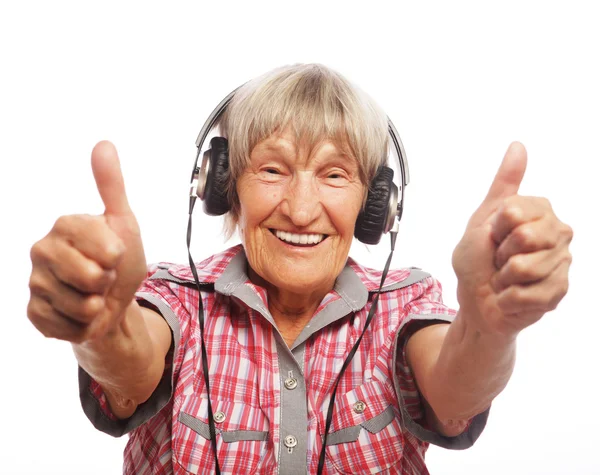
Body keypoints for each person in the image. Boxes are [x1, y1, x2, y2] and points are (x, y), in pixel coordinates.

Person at [27, 63, 573, 474]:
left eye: (335, 175)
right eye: (272, 168)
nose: (302, 208)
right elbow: (130, 363)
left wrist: (489, 322)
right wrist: (100, 321)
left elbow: (456, 389)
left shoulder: (404, 303)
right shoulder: (176, 295)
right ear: (223, 185)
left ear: (373, 204)